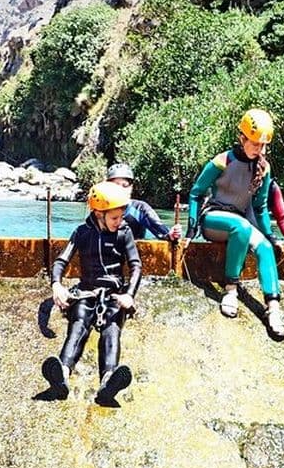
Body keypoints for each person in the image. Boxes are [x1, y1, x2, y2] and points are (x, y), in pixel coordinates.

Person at [185, 108, 284, 340]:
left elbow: (260, 208)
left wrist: (269, 236)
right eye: (254, 144)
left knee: (265, 248)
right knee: (239, 227)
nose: (259, 149)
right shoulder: (222, 161)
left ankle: (273, 308)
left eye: (263, 145)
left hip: (241, 221)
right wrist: (191, 229)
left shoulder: (265, 168)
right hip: (214, 219)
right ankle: (231, 289)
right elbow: (195, 194)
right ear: (242, 138)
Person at [41, 181, 142, 406]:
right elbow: (61, 260)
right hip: (86, 291)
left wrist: (129, 295)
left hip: (114, 294)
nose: (120, 221)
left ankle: (108, 380)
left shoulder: (124, 233)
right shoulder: (81, 233)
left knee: (112, 327)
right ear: (98, 213)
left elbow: (136, 265)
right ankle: (63, 375)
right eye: (114, 217)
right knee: (78, 324)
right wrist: (57, 285)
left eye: (121, 216)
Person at [106, 163, 182, 242]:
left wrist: (172, 234)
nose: (120, 190)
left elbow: (162, 231)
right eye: (116, 185)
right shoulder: (99, 209)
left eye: (125, 185)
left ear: (131, 187)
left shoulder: (140, 208)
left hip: (134, 252)